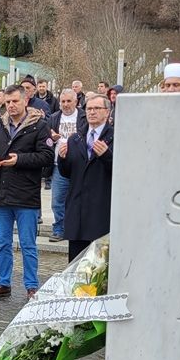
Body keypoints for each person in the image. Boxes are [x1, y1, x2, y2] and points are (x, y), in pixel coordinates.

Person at [0, 85, 51, 300]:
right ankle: (3, 283)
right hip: (2, 194)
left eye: (15, 101)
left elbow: (47, 156)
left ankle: (32, 286)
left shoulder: (39, 126)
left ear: (25, 101)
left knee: (28, 245)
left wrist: (19, 160)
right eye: (8, 102)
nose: (11, 105)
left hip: (26, 196)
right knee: (3, 243)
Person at [58, 94, 114, 261]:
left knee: (99, 267)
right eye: (89, 108)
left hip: (101, 211)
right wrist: (62, 159)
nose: (92, 112)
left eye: (97, 108)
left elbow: (123, 172)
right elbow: (67, 173)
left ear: (107, 112)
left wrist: (106, 155)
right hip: (78, 211)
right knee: (76, 265)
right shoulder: (76, 138)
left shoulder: (116, 137)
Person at [45, 90, 86, 243]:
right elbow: (46, 142)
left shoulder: (83, 117)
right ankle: (59, 229)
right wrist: (51, 138)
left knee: (78, 199)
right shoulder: (54, 118)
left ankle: (75, 228)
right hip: (58, 165)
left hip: (79, 166)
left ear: (76, 102)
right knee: (57, 201)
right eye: (63, 101)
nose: (65, 104)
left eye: (69, 101)